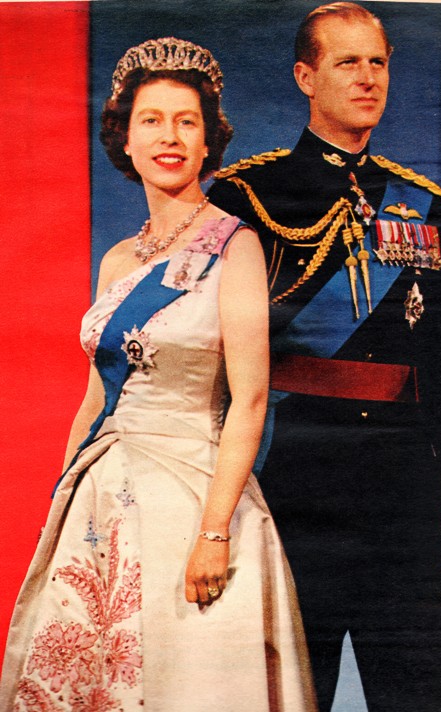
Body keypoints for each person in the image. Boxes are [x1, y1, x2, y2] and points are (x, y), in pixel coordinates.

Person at [0, 38, 317, 712]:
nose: (169, 137)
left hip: (195, 498)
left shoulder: (236, 247)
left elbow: (250, 399)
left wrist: (214, 533)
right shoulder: (118, 260)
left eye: (186, 121)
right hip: (102, 497)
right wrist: (62, 497)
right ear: (126, 137)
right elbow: (97, 395)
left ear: (208, 142)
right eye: (151, 120)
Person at [209, 4, 441, 711]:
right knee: (290, 694)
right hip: (294, 478)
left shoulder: (419, 201)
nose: (368, 78)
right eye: (347, 62)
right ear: (306, 77)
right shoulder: (247, 195)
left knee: (425, 694)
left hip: (402, 486)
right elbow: (215, 357)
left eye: (378, 62)